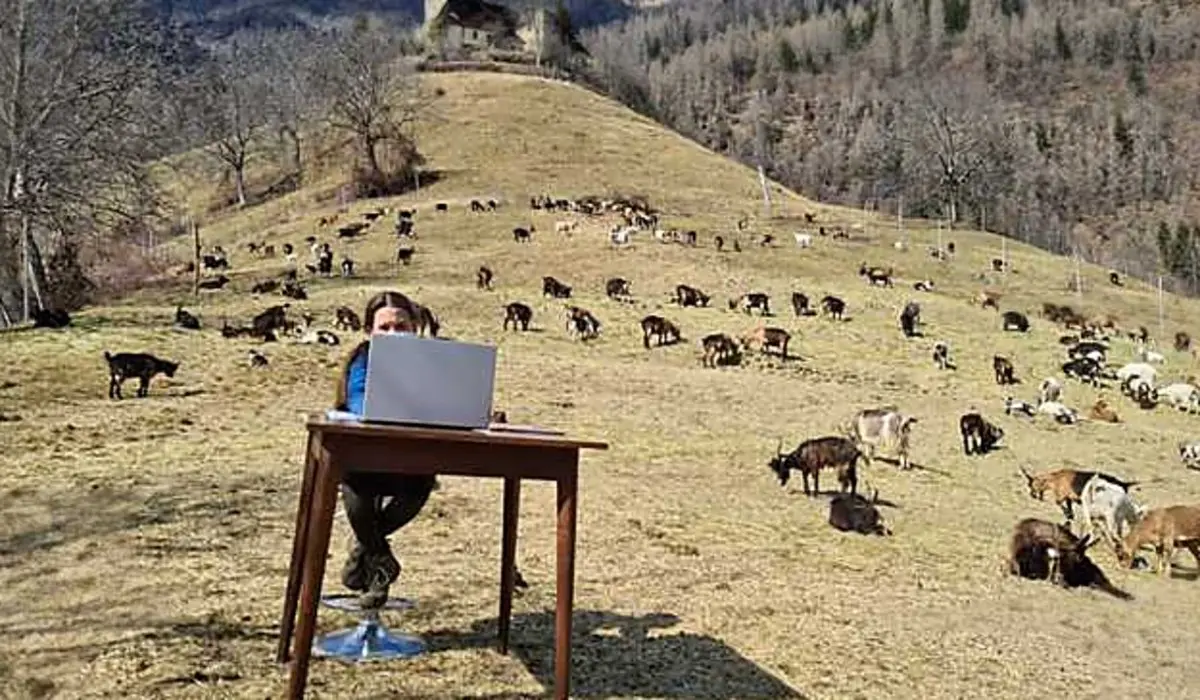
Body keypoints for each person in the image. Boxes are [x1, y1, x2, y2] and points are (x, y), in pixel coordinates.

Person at [333, 290, 438, 609]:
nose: (394, 334)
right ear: (370, 331)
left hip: (414, 460)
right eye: (385, 327)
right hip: (364, 457)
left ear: (415, 327)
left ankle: (365, 546)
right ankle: (381, 562)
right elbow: (357, 399)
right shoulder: (362, 358)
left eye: (401, 326)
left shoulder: (436, 363)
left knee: (418, 486)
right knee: (356, 493)